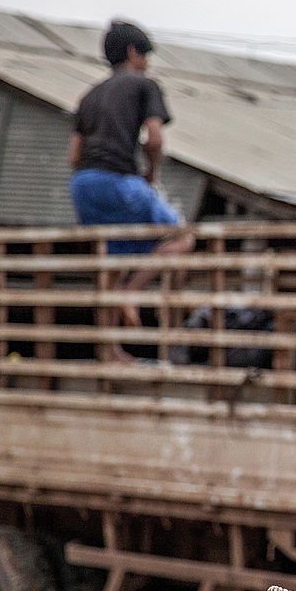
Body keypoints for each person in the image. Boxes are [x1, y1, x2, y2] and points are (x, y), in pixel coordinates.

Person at [69, 20, 195, 362]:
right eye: (146, 55)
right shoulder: (144, 85)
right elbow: (154, 138)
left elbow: (74, 155)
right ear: (132, 53)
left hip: (82, 184)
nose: (149, 63)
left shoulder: (89, 95)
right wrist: (150, 174)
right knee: (181, 238)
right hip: (117, 178)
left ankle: (110, 349)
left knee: (113, 260)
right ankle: (130, 293)